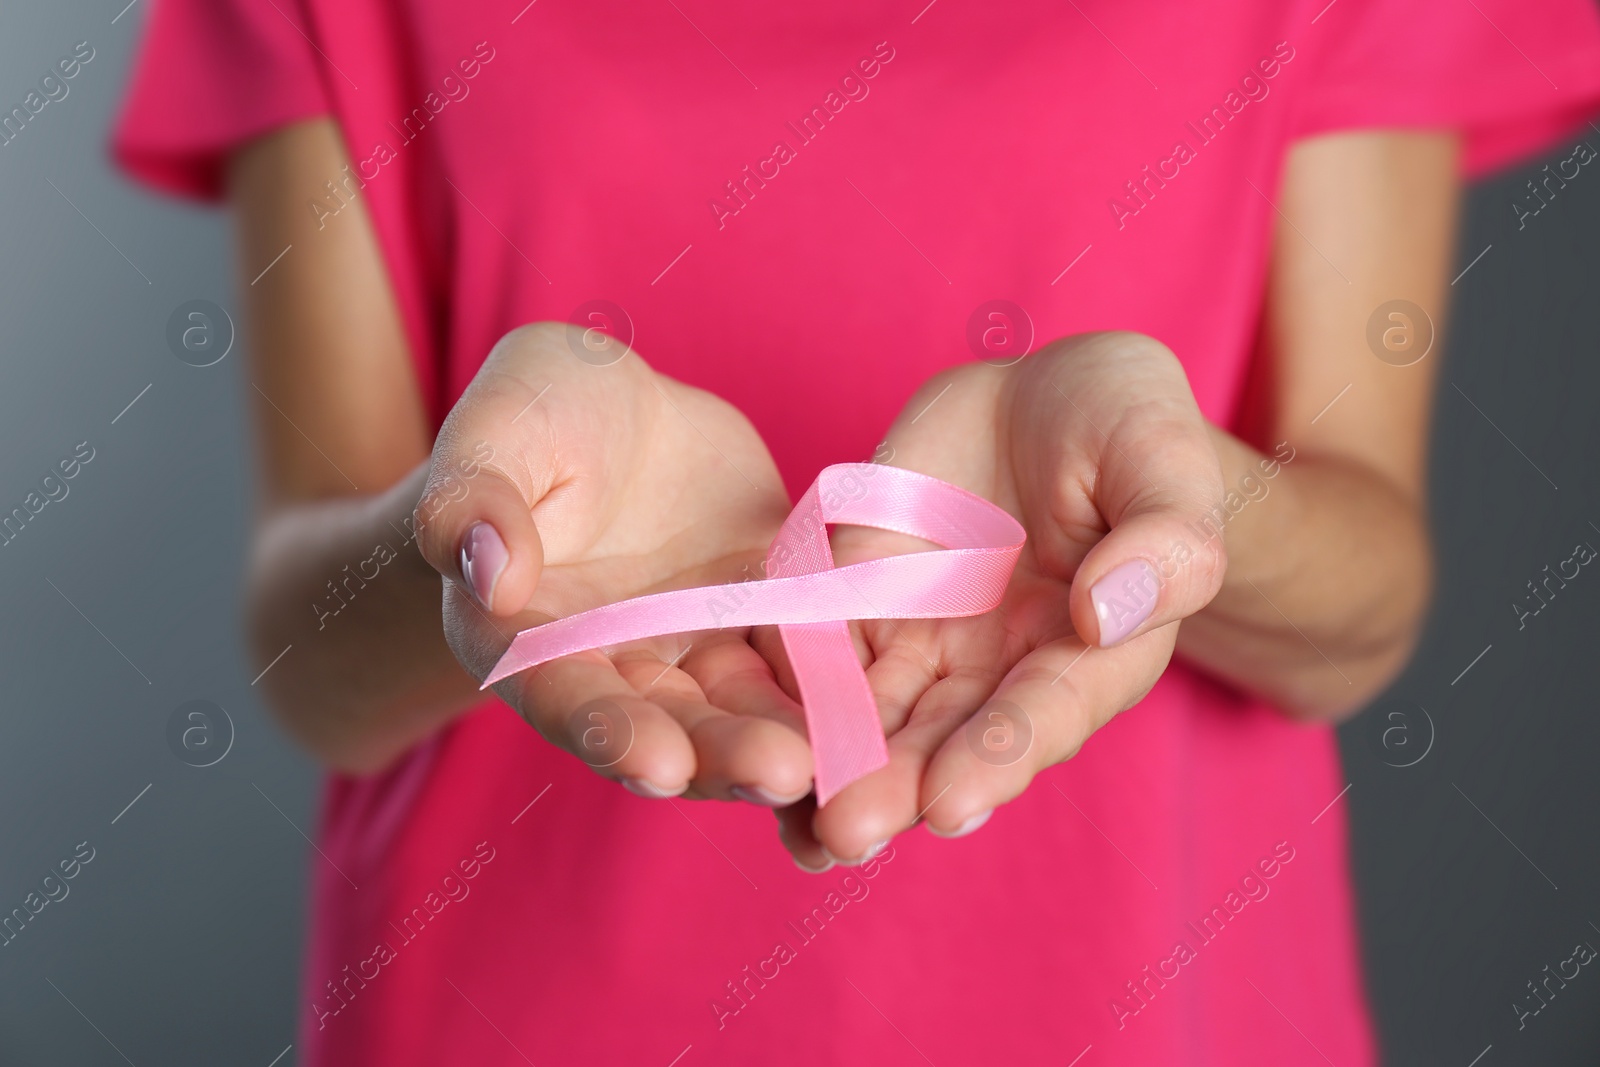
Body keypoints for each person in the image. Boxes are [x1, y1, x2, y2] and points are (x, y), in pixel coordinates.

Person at [114, 0, 1600, 1063]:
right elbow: (313, 670)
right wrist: (475, 551)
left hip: (1156, 1006)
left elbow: (1360, 615)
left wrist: (1180, 505)